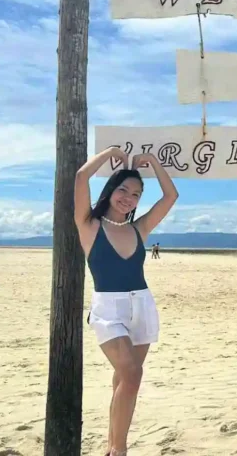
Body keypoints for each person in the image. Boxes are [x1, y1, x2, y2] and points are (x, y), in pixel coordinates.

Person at [74, 146, 179, 456]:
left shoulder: (139, 228)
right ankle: (119, 450)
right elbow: (81, 177)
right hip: (109, 309)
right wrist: (111, 153)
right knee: (132, 375)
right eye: (123, 189)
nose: (129, 198)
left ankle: (112, 445)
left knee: (124, 379)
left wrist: (154, 164)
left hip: (142, 307)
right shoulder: (89, 225)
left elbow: (170, 197)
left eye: (136, 194)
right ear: (110, 191)